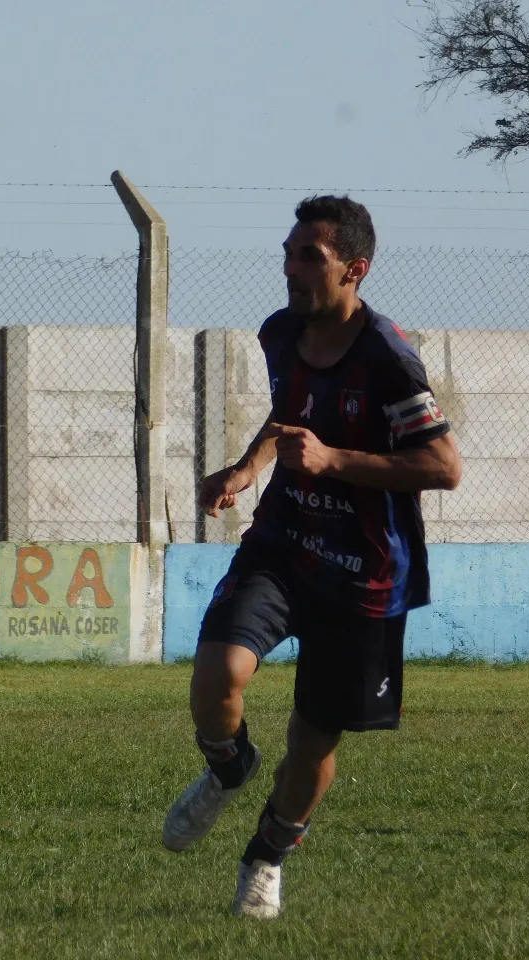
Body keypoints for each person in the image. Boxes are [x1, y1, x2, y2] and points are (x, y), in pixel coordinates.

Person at [161, 196, 462, 919]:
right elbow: (290, 414)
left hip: (364, 575)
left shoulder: (388, 356)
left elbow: (443, 465)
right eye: (290, 252)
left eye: (310, 257)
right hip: (283, 545)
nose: (291, 268)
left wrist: (333, 460)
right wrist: (246, 468)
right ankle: (229, 769)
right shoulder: (278, 334)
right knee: (215, 677)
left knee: (312, 737)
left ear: (354, 270)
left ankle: (265, 858)